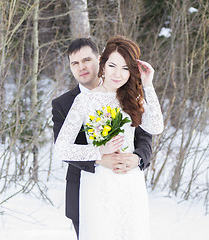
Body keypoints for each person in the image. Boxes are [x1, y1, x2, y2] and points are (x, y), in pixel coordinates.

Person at [53, 36, 164, 240]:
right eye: (112, 65)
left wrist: (148, 85)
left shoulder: (134, 97)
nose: (118, 73)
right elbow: (61, 149)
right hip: (98, 183)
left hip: (130, 181)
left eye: (125, 68)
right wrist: (99, 152)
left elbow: (155, 127)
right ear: (103, 64)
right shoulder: (84, 100)